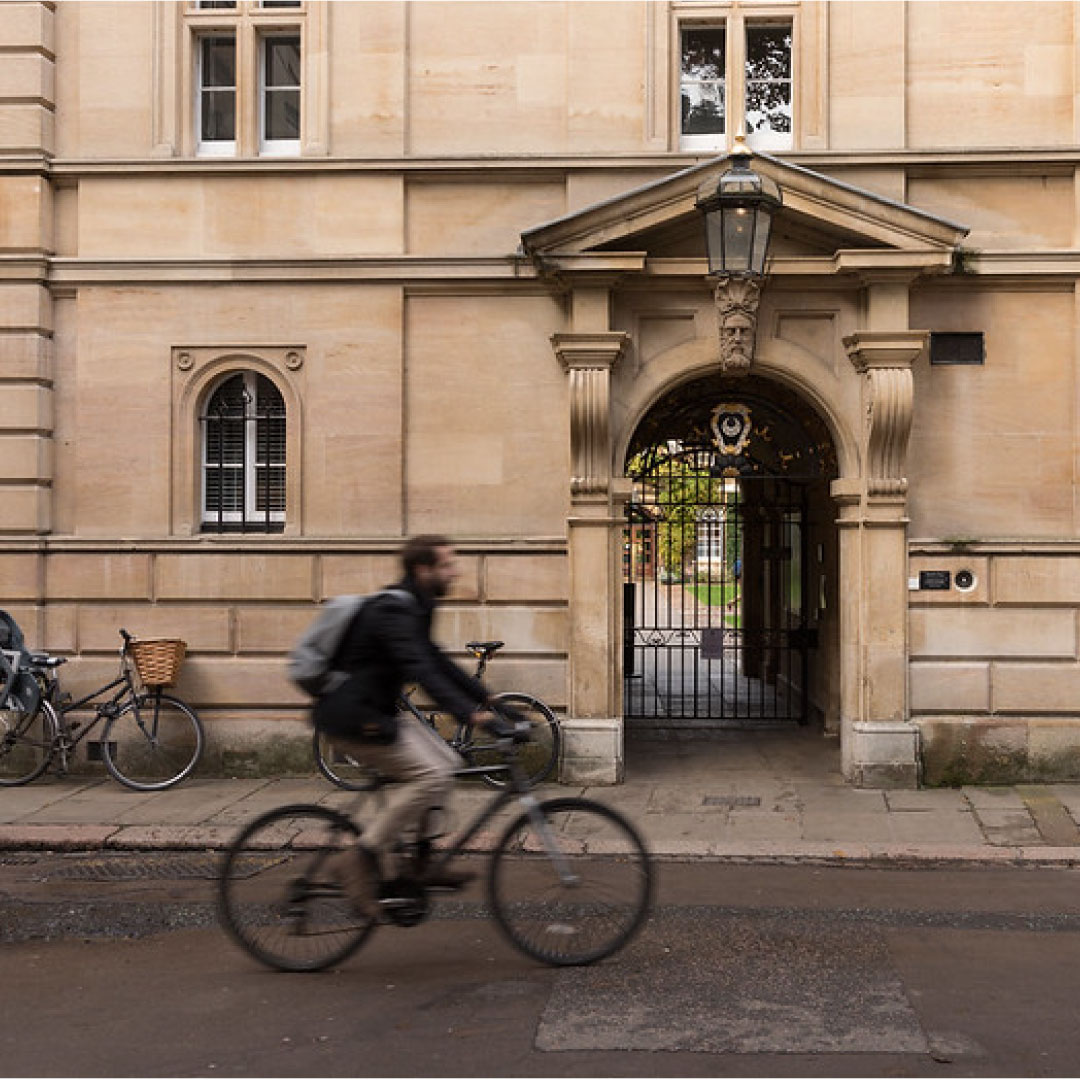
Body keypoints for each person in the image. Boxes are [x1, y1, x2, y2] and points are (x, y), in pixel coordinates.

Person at [315, 535, 496, 918]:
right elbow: (422, 669)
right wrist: (470, 715)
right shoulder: (394, 611)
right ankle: (359, 858)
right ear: (423, 570)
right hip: (353, 718)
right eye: (446, 565)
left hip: (377, 715)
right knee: (429, 775)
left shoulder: (415, 605)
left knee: (447, 761)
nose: (454, 571)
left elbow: (436, 660)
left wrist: (484, 698)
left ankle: (420, 862)